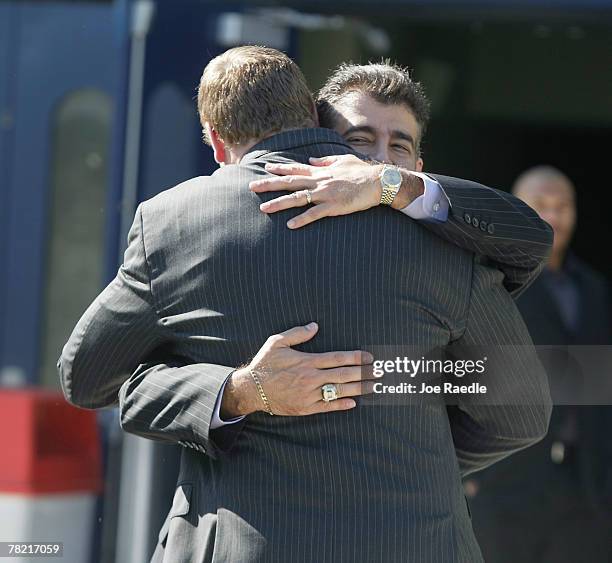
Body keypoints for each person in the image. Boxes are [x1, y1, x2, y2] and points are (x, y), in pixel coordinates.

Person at [58, 48, 551, 562]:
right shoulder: (442, 241)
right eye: (362, 141)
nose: (378, 160)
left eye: (397, 149)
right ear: (317, 122)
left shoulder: (174, 223)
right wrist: (419, 458)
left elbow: (87, 378)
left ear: (218, 140)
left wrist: (235, 392)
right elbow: (520, 413)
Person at [467, 166, 612, 562]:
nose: (552, 216)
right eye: (540, 206)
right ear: (516, 209)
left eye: (562, 206)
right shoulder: (487, 281)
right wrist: (471, 474)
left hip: (587, 491)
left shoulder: (595, 289)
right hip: (506, 485)